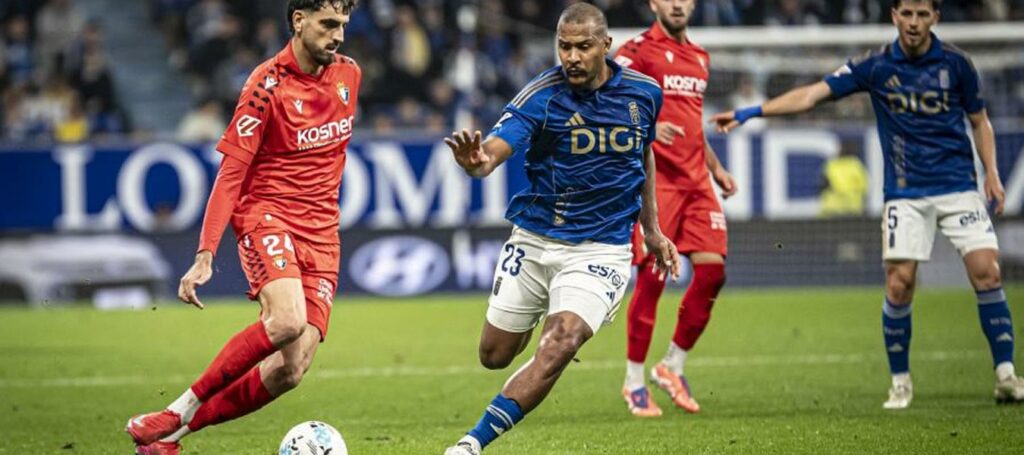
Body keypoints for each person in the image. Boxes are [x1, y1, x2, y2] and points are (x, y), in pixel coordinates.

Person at [712, 0, 1024, 409]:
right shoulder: (875, 65)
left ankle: (1005, 375)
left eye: (922, 14)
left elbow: (979, 120)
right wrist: (753, 111)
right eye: (907, 14)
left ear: (936, 18)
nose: (914, 23)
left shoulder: (957, 64)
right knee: (899, 284)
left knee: (987, 272)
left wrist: (993, 174)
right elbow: (813, 95)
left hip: (957, 186)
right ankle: (900, 382)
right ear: (894, 16)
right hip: (906, 192)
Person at [442, 4, 680, 454]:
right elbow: (494, 150)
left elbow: (642, 155)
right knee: (494, 356)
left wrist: (652, 228)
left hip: (602, 248)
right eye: (564, 46)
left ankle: (472, 443)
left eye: (583, 46)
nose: (571, 56)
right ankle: (538, 336)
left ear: (605, 47)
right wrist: (478, 163)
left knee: (562, 340)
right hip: (535, 239)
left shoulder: (644, 94)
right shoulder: (541, 96)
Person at [124, 1, 361, 453]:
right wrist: (205, 254)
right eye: (329, 24)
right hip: (267, 214)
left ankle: (171, 438)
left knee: (290, 370)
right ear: (298, 21)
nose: (338, 36)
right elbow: (231, 174)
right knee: (287, 320)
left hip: (323, 233)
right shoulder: (264, 86)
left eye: (343, 26)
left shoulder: (350, 75)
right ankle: (180, 407)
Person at [612, 0, 737, 417]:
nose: (678, 4)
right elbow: (605, 95)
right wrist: (644, 126)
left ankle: (671, 365)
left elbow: (692, 122)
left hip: (697, 181)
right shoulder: (637, 50)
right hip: (658, 183)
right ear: (654, 3)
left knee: (713, 270)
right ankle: (633, 381)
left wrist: (716, 169)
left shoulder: (700, 57)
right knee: (653, 279)